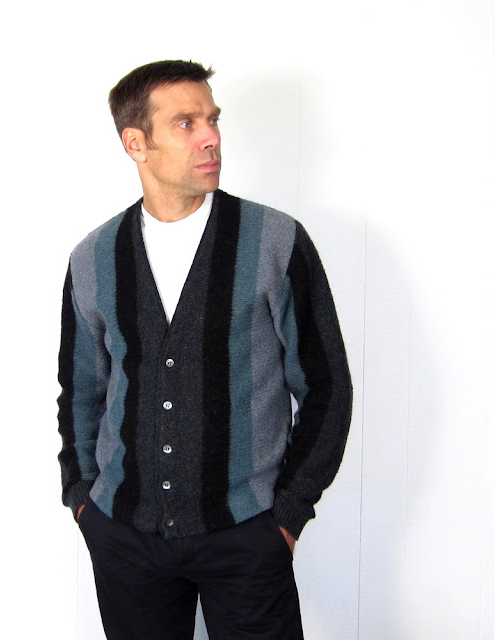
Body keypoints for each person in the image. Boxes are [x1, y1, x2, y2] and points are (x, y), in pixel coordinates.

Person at [57, 60, 353, 640]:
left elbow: (325, 386)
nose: (211, 137)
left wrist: (288, 515)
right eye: (186, 123)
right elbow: (82, 389)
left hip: (247, 534)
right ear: (136, 143)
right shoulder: (92, 259)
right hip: (124, 537)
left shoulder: (274, 241)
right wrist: (82, 499)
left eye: (213, 120)